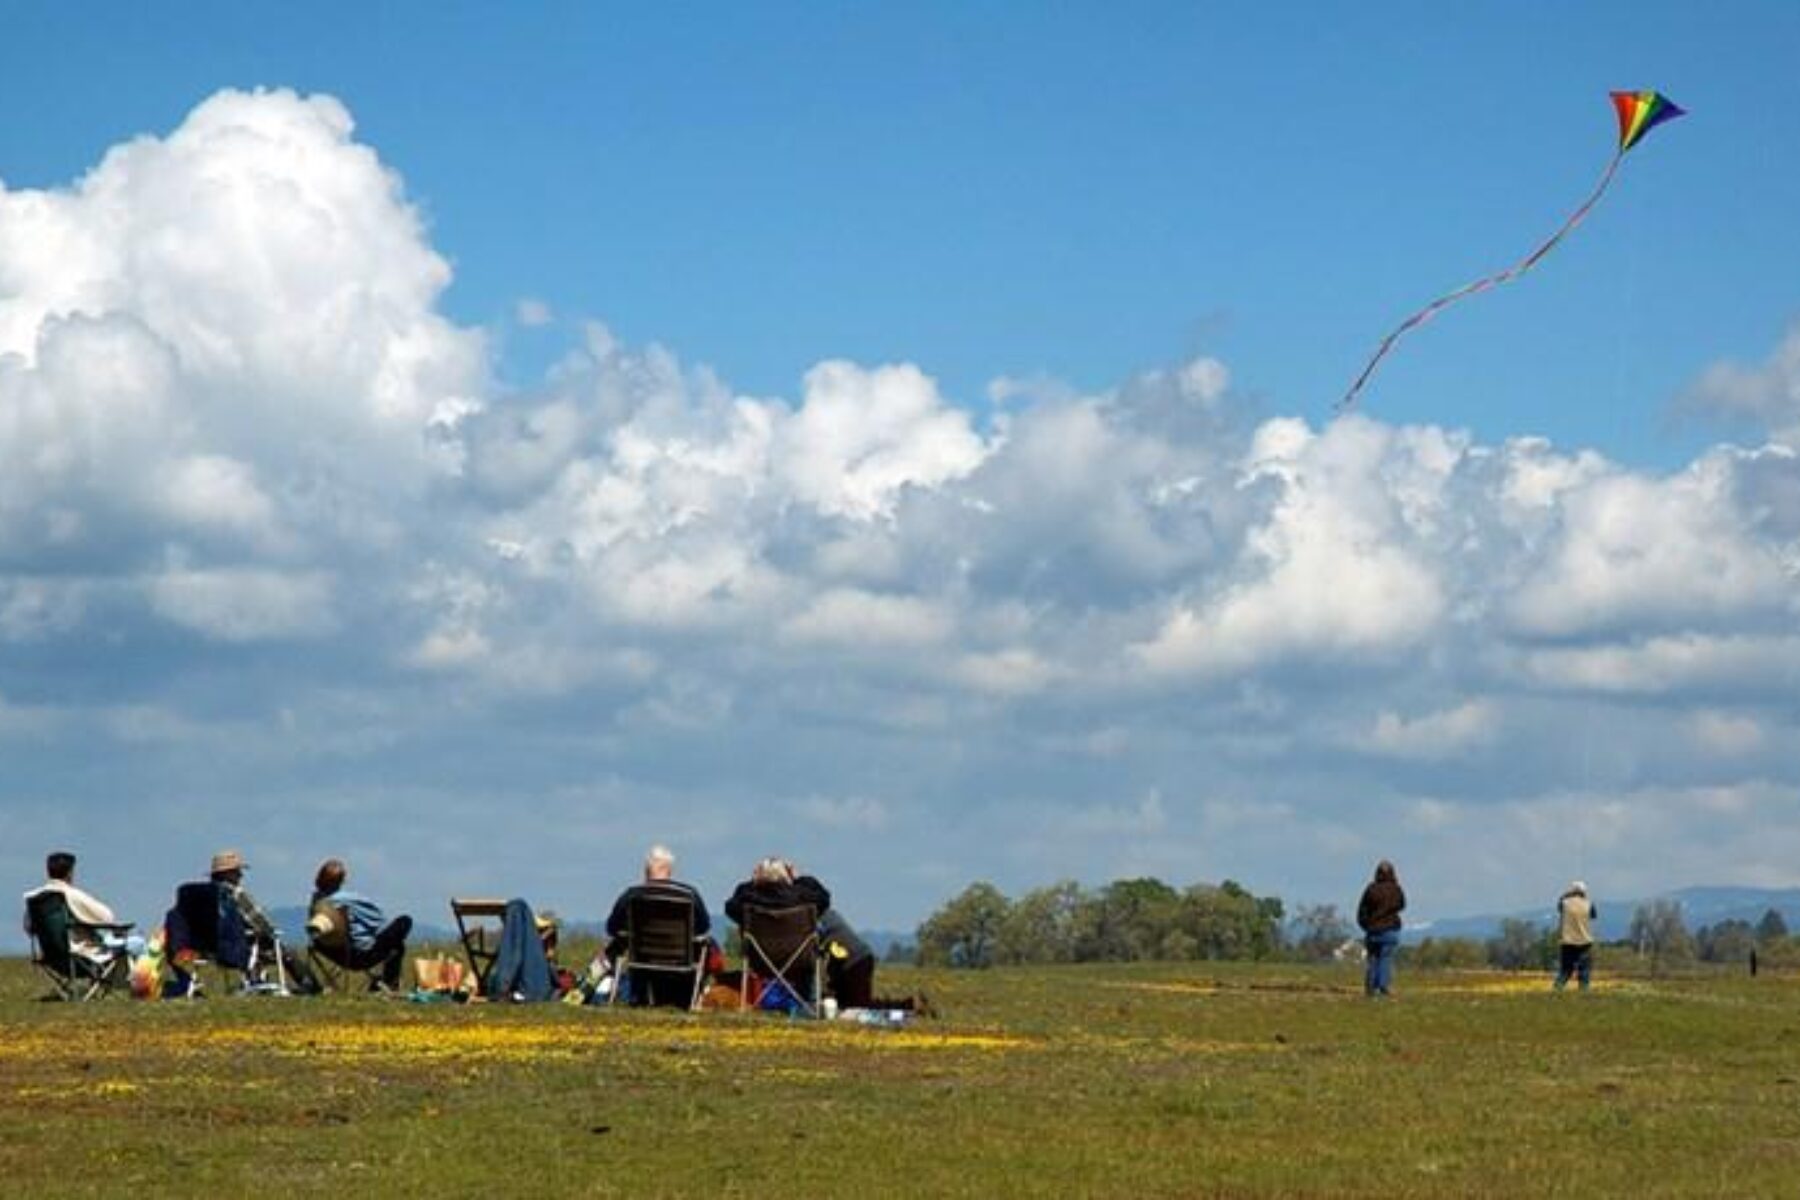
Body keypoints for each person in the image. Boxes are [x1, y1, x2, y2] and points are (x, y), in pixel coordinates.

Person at [725, 857, 925, 1014]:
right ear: (789, 879)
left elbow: (730, 906)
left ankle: (906, 1005)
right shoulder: (803, 898)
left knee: (850, 1008)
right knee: (851, 1009)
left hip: (766, 962)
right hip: (804, 959)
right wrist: (799, 878)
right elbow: (823, 896)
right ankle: (906, 1005)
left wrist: (752, 882)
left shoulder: (748, 903)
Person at [604, 844, 713, 1006]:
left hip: (642, 964)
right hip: (680, 963)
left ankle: (624, 995)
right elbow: (704, 927)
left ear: (647, 871)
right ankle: (695, 996)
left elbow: (611, 928)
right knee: (710, 944)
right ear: (669, 870)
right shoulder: (689, 895)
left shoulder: (632, 895)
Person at [208, 849, 318, 993]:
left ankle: (256, 980)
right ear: (226, 874)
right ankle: (311, 986)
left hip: (215, 950)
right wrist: (273, 932)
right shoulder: (235, 893)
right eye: (236, 872)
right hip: (242, 947)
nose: (240, 875)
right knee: (287, 953)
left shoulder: (204, 895)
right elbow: (260, 921)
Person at [308, 858, 413, 992]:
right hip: (360, 955)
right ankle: (388, 983)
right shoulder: (348, 899)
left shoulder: (316, 902)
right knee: (404, 921)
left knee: (397, 946)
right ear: (342, 880)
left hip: (332, 951)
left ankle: (387, 983)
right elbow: (378, 920)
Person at [22, 851, 125, 967]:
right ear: (69, 873)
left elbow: (28, 928)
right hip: (81, 956)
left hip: (50, 957)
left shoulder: (35, 899)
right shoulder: (70, 894)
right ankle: (140, 984)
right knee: (136, 943)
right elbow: (107, 917)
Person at [1356, 859, 1406, 998]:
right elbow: (1402, 905)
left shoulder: (1371, 889)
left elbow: (1361, 911)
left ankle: (1371, 989)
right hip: (1390, 929)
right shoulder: (1396, 889)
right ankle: (1383, 987)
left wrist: (1365, 925)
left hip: (1372, 931)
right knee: (1385, 959)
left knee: (1373, 959)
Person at [1553, 880, 1598, 992]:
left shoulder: (1564, 903)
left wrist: (1567, 894)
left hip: (1567, 941)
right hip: (1585, 941)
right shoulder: (1589, 903)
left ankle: (1558, 988)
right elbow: (1594, 916)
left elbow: (1559, 907)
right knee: (1584, 969)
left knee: (1566, 969)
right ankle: (1584, 990)